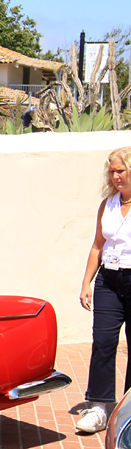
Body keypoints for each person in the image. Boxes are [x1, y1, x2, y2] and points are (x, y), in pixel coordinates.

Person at [78, 146, 131, 432]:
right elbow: (98, 246)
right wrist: (86, 282)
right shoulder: (108, 204)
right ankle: (99, 407)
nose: (115, 177)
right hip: (108, 280)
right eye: (111, 171)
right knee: (103, 342)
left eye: (120, 171)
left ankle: (129, 411)